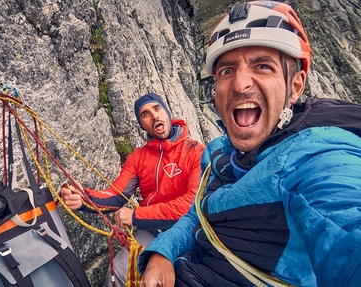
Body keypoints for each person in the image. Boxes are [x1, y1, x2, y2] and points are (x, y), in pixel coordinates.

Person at [138, 1, 361, 286]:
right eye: (227, 71)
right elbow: (197, 213)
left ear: (295, 85)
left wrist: (135, 215)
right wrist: (162, 253)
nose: (240, 84)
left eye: (262, 65)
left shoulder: (314, 157)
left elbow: (345, 226)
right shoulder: (217, 152)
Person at [60, 92, 205, 287]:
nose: (154, 116)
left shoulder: (195, 151)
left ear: (167, 112)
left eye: (157, 108)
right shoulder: (138, 157)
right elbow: (115, 195)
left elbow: (191, 204)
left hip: (186, 229)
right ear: (142, 124)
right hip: (151, 230)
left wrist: (136, 215)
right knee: (118, 274)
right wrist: (83, 198)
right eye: (145, 114)